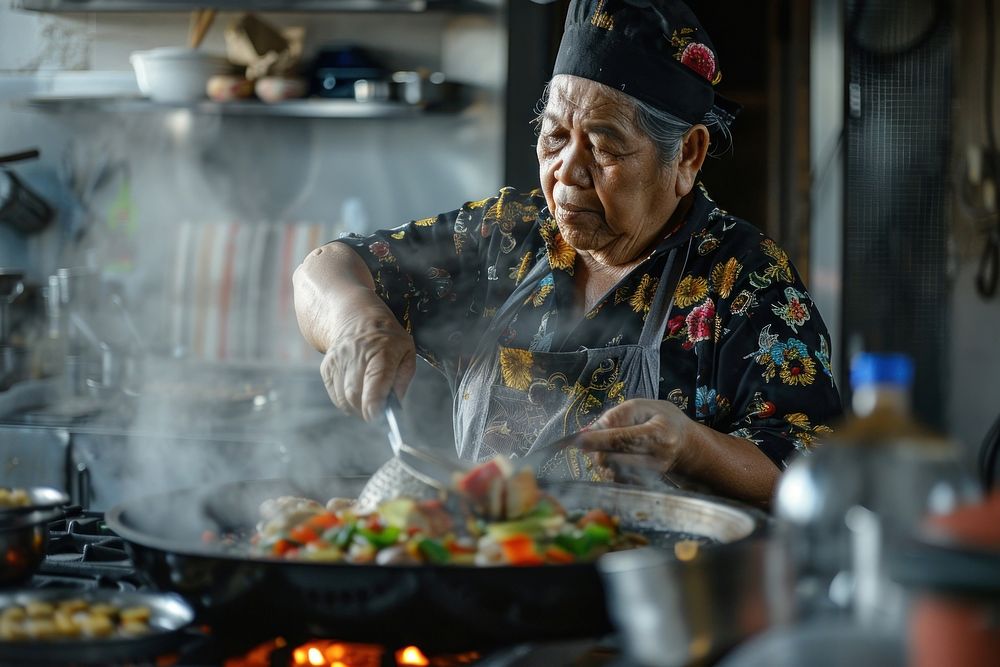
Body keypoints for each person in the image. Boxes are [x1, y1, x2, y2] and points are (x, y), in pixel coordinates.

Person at [293, 0, 842, 507]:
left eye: (603, 147)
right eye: (555, 137)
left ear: (687, 157)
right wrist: (356, 320)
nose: (567, 174)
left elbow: (811, 470)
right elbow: (328, 267)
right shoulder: (505, 237)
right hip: (494, 565)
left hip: (650, 583)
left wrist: (691, 448)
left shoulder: (742, 278)